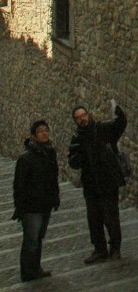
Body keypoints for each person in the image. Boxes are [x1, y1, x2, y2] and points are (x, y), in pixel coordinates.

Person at [68, 102, 127, 264]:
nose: (81, 120)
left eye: (83, 116)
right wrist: (79, 157)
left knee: (111, 217)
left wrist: (120, 114)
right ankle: (99, 250)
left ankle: (115, 248)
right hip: (91, 184)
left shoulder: (103, 128)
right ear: (75, 121)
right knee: (94, 219)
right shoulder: (76, 139)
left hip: (108, 181)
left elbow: (119, 126)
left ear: (88, 115)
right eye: (78, 118)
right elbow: (72, 161)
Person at [12, 119, 60, 283]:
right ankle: (27, 272)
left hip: (45, 204)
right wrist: (20, 208)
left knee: (38, 238)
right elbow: (19, 185)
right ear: (33, 136)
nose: (44, 133)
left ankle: (36, 268)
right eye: (40, 131)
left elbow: (53, 177)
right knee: (31, 241)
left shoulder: (49, 153)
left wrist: (55, 197)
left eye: (46, 130)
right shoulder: (26, 158)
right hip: (31, 207)